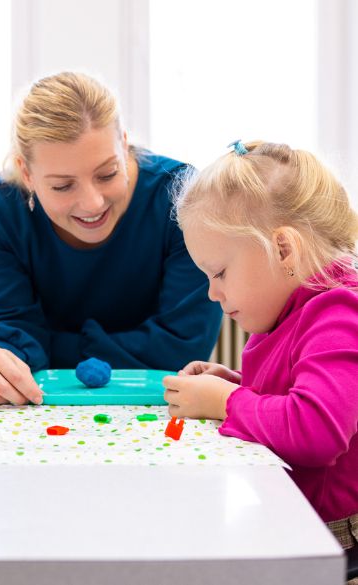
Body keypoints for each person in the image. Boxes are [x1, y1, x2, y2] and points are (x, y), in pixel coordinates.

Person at [0, 71, 222, 407]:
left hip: (161, 408)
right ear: (26, 173)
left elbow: (182, 347)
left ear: (124, 144)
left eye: (108, 173)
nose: (93, 203)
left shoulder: (184, 199)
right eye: (62, 186)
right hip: (41, 412)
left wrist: (47, 348)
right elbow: (8, 329)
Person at [163, 140, 358, 567]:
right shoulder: (292, 307)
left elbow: (316, 430)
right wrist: (234, 382)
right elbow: (293, 389)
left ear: (283, 250)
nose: (213, 292)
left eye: (219, 273)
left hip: (334, 542)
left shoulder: (338, 312)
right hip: (297, 518)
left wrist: (225, 402)